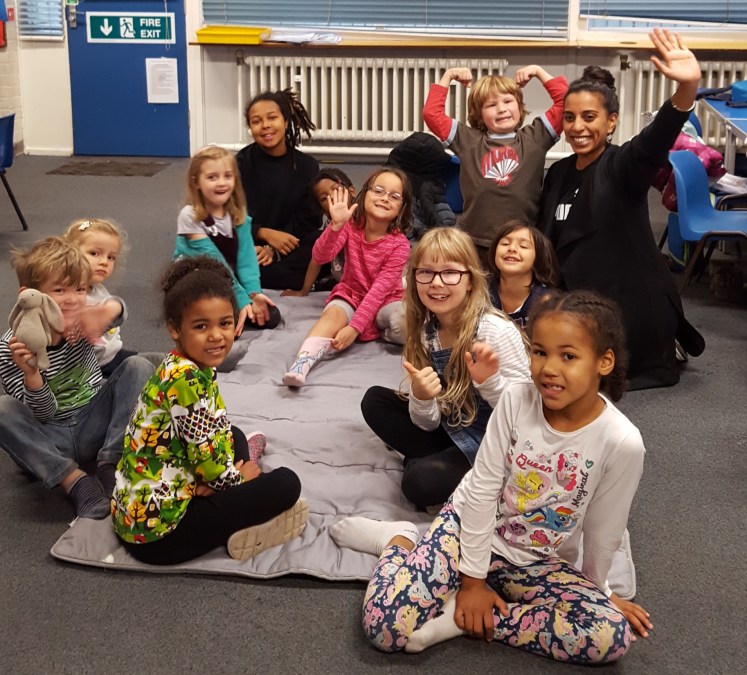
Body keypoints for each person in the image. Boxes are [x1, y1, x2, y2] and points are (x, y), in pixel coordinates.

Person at [332, 289, 651, 663]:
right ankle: (398, 541)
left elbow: (603, 529)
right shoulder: (516, 399)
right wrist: (472, 581)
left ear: (604, 361)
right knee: (384, 628)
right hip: (467, 530)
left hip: (537, 560)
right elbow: (482, 490)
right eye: (540, 352)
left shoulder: (623, 441)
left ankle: (467, 619)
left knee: (610, 636)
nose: (549, 368)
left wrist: (600, 592)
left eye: (568, 356)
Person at [537, 29, 705, 389]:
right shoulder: (559, 172)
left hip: (629, 306)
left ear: (611, 121)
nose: (578, 127)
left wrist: (686, 90)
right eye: (570, 118)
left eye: (589, 117)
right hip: (580, 300)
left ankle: (666, 345)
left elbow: (654, 141)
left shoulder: (622, 165)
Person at [112, 256, 308, 564]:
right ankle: (246, 515)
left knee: (234, 434)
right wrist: (236, 480)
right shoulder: (187, 380)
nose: (216, 335)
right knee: (286, 483)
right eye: (201, 326)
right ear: (174, 328)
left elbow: (205, 434)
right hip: (161, 537)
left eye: (225, 324)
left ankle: (225, 487)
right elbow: (207, 455)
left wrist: (213, 480)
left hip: (141, 512)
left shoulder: (180, 364)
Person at [361, 228, 530, 510]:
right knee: (375, 400)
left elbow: (525, 418)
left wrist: (490, 382)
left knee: (419, 483)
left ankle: (431, 463)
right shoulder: (426, 333)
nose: (436, 283)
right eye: (426, 272)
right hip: (451, 426)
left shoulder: (495, 330)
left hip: (495, 444)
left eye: (450, 272)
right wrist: (421, 397)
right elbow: (427, 422)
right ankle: (435, 461)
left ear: (470, 280)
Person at [0, 237, 153, 519]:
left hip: (94, 424)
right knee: (3, 409)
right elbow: (42, 413)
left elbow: (119, 310)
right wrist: (32, 374)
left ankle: (111, 462)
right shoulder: (12, 347)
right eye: (59, 290)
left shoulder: (82, 320)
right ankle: (74, 481)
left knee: (139, 366)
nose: (72, 299)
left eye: (81, 289)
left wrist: (106, 311)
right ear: (29, 295)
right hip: (51, 438)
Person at [282, 168, 412, 387]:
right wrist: (335, 227)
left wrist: (355, 328)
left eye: (394, 196)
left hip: (385, 300)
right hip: (352, 293)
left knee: (402, 323)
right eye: (378, 191)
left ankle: (376, 330)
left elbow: (378, 292)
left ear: (402, 207)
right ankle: (300, 365)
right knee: (332, 314)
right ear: (364, 194)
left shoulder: (400, 245)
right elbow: (320, 256)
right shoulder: (350, 226)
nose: (384, 198)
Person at [423, 64, 568, 261]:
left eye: (508, 101)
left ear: (519, 106)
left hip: (522, 241)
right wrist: (448, 76)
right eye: (491, 105)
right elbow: (431, 114)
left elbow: (565, 103)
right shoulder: (467, 140)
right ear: (479, 114)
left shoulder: (536, 137)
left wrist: (538, 71)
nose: (501, 109)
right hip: (476, 242)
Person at [175, 145, 281, 339]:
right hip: (195, 277)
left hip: (225, 278)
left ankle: (228, 312)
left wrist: (254, 293)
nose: (221, 183)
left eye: (227, 176)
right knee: (218, 322)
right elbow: (213, 261)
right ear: (196, 182)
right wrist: (241, 299)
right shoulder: (190, 215)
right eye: (212, 177)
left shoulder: (238, 216)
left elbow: (246, 259)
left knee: (270, 316)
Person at [236, 88, 324, 291]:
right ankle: (312, 282)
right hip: (250, 244)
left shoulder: (307, 166)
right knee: (231, 256)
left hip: (290, 244)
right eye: (256, 121)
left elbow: (309, 220)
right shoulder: (239, 164)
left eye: (272, 118)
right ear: (250, 128)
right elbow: (228, 216)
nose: (265, 125)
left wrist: (273, 249)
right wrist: (262, 233)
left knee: (321, 241)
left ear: (285, 122)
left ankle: (272, 276)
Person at [63, 218, 136, 377]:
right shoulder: (67, 297)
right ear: (70, 252)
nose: (104, 262)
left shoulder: (98, 290)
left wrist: (114, 308)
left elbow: (119, 315)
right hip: (89, 369)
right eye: (94, 253)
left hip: (113, 356)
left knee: (156, 364)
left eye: (111, 257)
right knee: (141, 371)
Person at [281, 167, 355, 297]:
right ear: (323, 211)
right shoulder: (330, 227)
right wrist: (304, 291)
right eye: (324, 198)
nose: (332, 197)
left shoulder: (368, 219)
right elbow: (317, 258)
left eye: (336, 189)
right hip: (347, 286)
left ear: (352, 192)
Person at [486, 220, 560, 330]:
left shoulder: (546, 302)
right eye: (505, 243)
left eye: (523, 246)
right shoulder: (481, 293)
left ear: (538, 257)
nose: (512, 248)